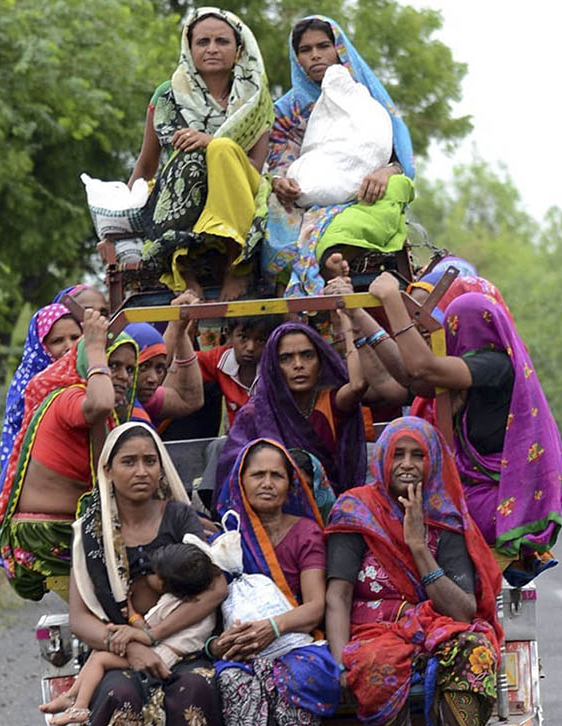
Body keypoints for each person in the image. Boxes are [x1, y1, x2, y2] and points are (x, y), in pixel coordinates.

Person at [69, 422, 228, 726]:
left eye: (150, 460)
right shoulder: (91, 532)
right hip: (119, 650)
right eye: (129, 461)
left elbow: (214, 589)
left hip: (181, 645)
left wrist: (151, 638)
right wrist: (128, 644)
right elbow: (81, 620)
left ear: (162, 467)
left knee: (193, 695)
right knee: (124, 697)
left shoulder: (179, 518)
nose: (141, 470)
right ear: (109, 470)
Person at [325, 417, 503, 726]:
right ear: (382, 458)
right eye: (398, 454)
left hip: (435, 626)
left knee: (478, 652)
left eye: (418, 455)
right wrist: (338, 661)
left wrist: (419, 547)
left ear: (433, 462)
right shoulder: (356, 510)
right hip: (376, 631)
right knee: (371, 668)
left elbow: (461, 612)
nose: (407, 464)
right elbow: (338, 595)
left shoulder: (447, 516)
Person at [365, 272, 562, 575]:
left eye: (455, 327)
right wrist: (356, 316)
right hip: (470, 506)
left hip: (492, 513)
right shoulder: (466, 378)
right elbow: (411, 379)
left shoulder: (495, 365)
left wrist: (392, 299)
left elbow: (422, 369)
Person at [213, 439, 340, 726]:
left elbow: (316, 606)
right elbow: (210, 612)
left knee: (294, 676)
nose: (267, 483)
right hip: (242, 652)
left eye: (276, 475)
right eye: (257, 475)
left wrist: (272, 628)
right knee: (234, 683)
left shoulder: (305, 533)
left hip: (292, 643)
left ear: (290, 485)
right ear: (240, 482)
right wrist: (220, 645)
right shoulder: (225, 539)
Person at [0, 311, 139, 600]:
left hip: (65, 531)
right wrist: (95, 351)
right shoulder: (69, 397)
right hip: (49, 535)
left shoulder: (93, 408)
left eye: (129, 369)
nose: (121, 376)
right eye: (113, 365)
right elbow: (101, 403)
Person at [264, 15, 415, 296]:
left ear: (339, 49)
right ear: (296, 57)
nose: (316, 55)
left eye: (323, 46)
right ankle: (319, 268)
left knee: (398, 187)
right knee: (270, 206)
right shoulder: (286, 110)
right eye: (305, 50)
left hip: (361, 197)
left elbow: (399, 158)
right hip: (303, 202)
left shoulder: (368, 97)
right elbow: (277, 161)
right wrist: (280, 182)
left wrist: (387, 171)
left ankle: (336, 255)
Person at [129, 8, 274, 300]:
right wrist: (122, 216)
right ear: (189, 47)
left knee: (219, 149)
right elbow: (147, 163)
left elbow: (255, 166)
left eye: (222, 41)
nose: (212, 49)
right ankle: (185, 274)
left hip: (241, 189)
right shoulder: (167, 95)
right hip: (182, 191)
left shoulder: (255, 96)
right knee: (190, 162)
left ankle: (237, 264)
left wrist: (210, 141)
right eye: (202, 42)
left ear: (239, 49)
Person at [43, 542, 219, 725]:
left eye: (155, 574)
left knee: (99, 659)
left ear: (166, 584)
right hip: (177, 654)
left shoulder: (170, 603)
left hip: (162, 658)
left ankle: (79, 707)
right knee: (99, 651)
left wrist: (130, 609)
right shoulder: (205, 605)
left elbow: (144, 630)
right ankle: (71, 696)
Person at [216, 321, 368, 501]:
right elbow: (235, 469)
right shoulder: (257, 413)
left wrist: (348, 324)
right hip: (273, 509)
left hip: (333, 506)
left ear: (321, 362)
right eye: (286, 358)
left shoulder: (331, 401)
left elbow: (358, 385)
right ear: (273, 365)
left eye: (307, 355)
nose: (298, 365)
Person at [0, 302, 83, 497]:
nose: (69, 347)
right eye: (57, 341)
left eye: (75, 338)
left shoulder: (93, 375)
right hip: (34, 482)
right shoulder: (29, 384)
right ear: (41, 347)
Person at [124, 316, 204, 430]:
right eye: (143, 367)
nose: (153, 379)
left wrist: (180, 332)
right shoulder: (103, 403)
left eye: (159, 369)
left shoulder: (144, 399)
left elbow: (188, 400)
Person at [198, 314, 277, 427]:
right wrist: (178, 328)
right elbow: (180, 362)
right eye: (243, 337)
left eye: (260, 340)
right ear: (229, 334)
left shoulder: (278, 365)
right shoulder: (219, 359)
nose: (250, 347)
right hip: (236, 439)